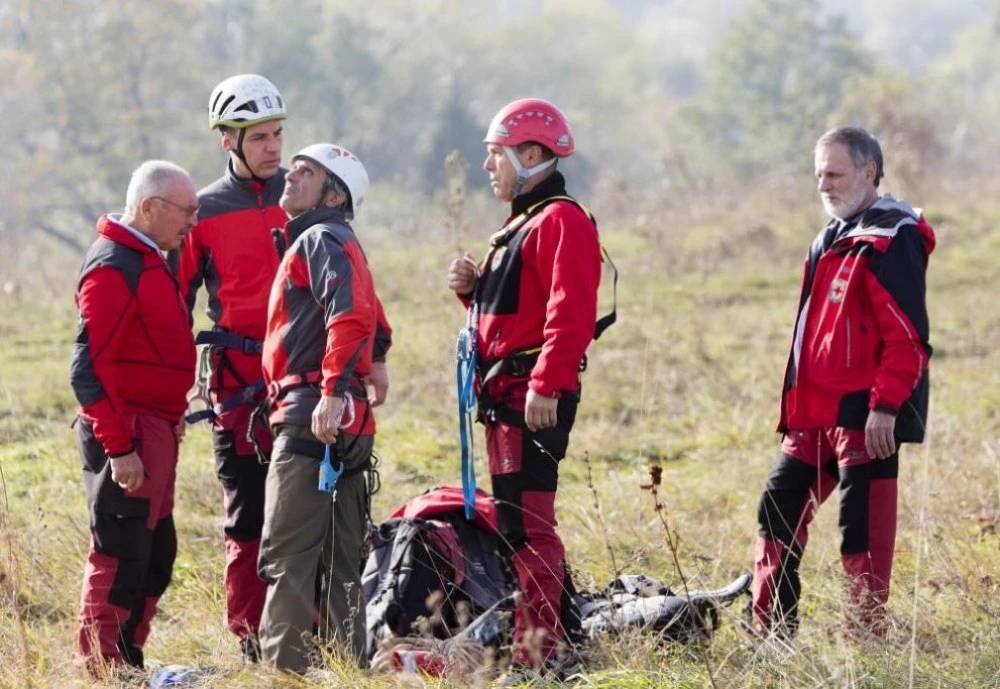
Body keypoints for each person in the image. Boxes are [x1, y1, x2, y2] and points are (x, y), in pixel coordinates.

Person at [750, 126, 935, 640]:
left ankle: (865, 648)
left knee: (862, 535)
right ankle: (770, 638)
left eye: (835, 174)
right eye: (818, 175)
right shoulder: (828, 238)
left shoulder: (892, 237)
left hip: (865, 414)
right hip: (812, 415)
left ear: (869, 172)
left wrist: (887, 407)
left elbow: (907, 337)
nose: (824, 185)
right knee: (777, 511)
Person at [446, 98, 603, 674]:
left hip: (529, 402)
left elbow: (571, 315)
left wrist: (548, 384)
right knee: (518, 525)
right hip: (506, 400)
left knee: (528, 528)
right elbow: (520, 314)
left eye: (496, 156)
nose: (489, 168)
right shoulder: (522, 224)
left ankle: (539, 658)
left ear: (531, 154)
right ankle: (552, 641)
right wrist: (472, 288)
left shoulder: (561, 220)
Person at [172, 74, 293, 661]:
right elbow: (173, 302)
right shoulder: (203, 212)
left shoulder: (306, 194)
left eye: (278, 134)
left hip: (304, 378)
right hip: (238, 384)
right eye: (260, 137)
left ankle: (308, 623)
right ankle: (249, 635)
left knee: (305, 506)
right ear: (229, 141)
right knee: (247, 509)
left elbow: (351, 275)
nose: (274, 147)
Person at [257, 143, 392, 672]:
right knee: (342, 564)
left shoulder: (318, 237)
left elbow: (350, 313)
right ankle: (349, 673)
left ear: (333, 194)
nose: (292, 174)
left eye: (307, 172)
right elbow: (372, 319)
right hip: (347, 420)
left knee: (289, 558)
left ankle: (283, 675)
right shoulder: (346, 242)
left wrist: (333, 389)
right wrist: (373, 367)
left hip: (315, 413)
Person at [70, 161, 198, 677]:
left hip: (156, 429)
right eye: (186, 212)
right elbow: (88, 368)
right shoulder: (113, 265)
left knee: (156, 552)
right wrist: (121, 448)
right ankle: (100, 671)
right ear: (150, 208)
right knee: (120, 553)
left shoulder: (147, 257)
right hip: (127, 433)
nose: (192, 223)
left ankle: (129, 662)